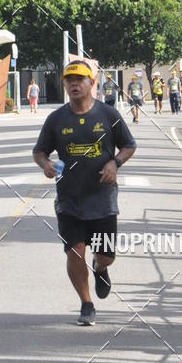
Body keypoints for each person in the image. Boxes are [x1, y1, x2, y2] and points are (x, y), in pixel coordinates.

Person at [33, 60, 137, 326]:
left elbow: (128, 145)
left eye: (80, 79)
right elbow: (40, 151)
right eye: (69, 80)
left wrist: (115, 162)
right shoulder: (56, 119)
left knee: (105, 255)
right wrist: (46, 165)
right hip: (69, 199)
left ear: (92, 83)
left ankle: (100, 268)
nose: (74, 84)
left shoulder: (108, 116)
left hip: (102, 199)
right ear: (65, 85)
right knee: (74, 251)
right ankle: (86, 303)